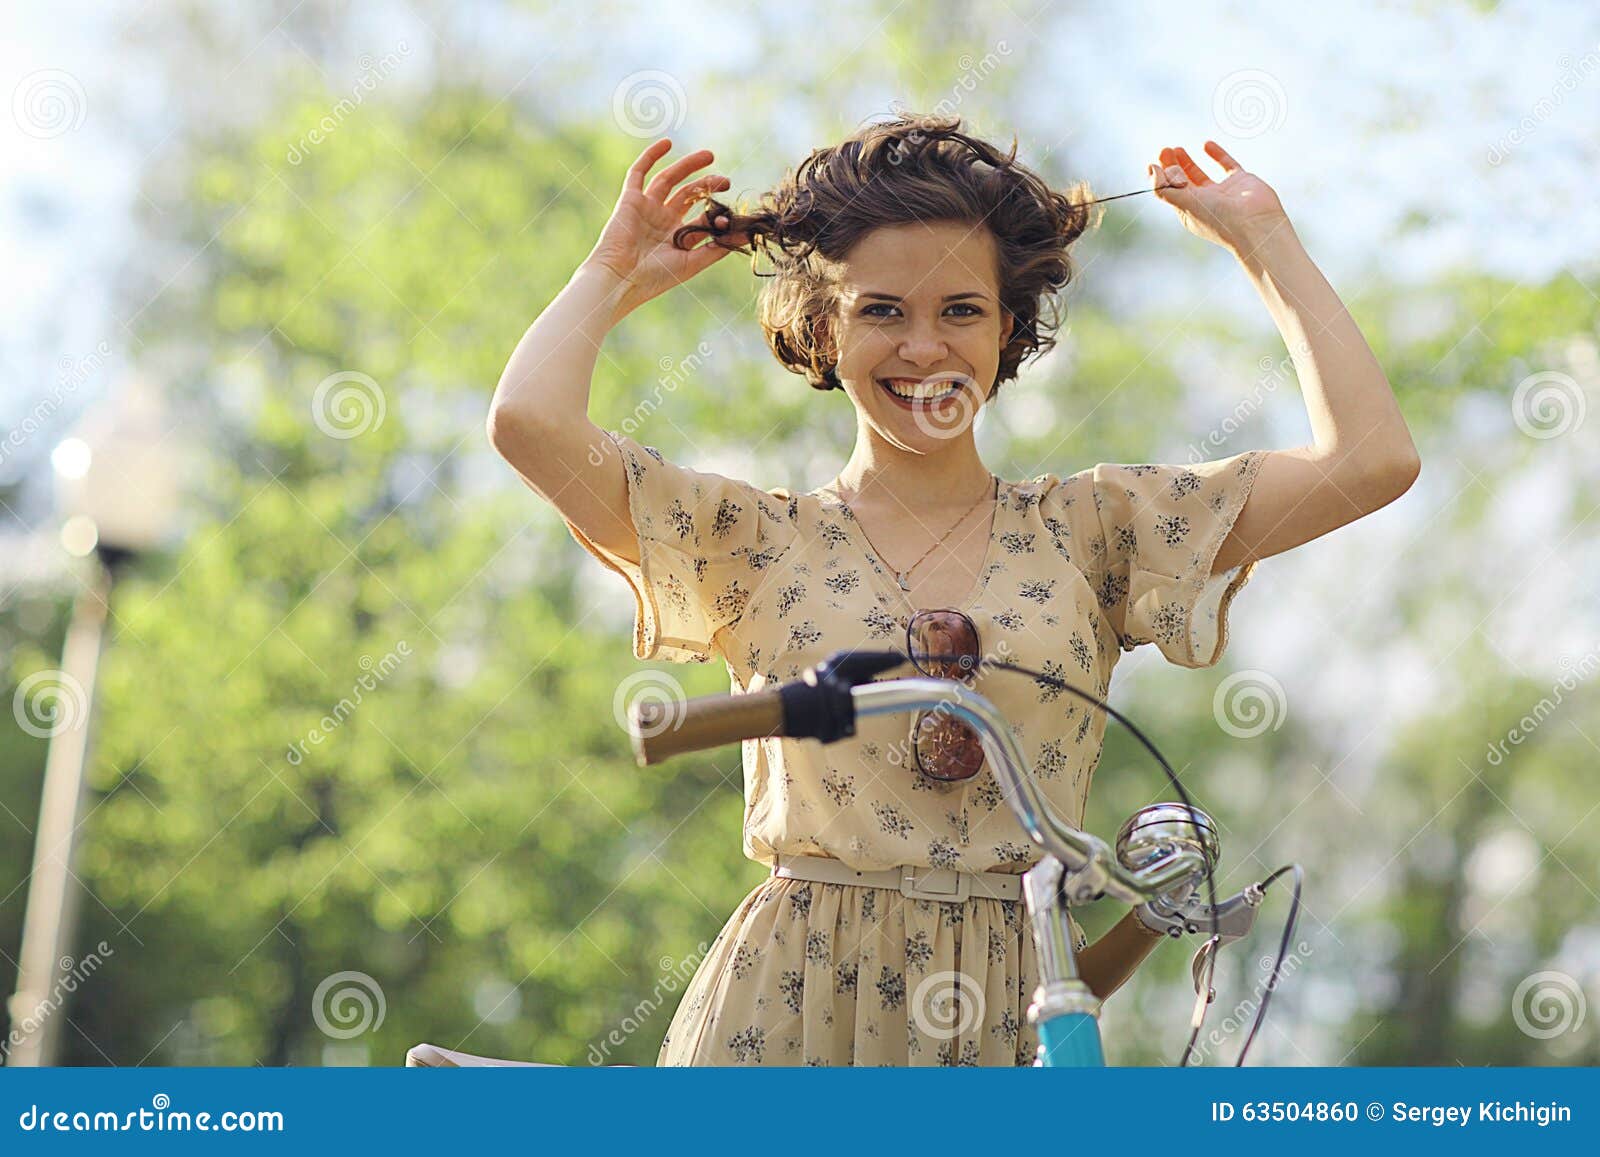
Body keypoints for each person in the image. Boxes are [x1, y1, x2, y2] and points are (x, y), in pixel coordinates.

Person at [485, 113, 1421, 1066]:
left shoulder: (1097, 529)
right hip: (784, 1008)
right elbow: (528, 420)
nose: (925, 348)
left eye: (961, 311)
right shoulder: (750, 540)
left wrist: (1265, 240)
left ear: (1007, 327)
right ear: (823, 327)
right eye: (881, 310)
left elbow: (1371, 457)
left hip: (1016, 999)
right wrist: (609, 279)